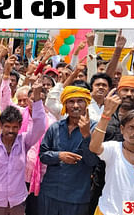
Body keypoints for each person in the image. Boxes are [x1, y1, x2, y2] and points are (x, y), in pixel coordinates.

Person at [0, 77, 46, 215]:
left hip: (18, 202)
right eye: (7, 126)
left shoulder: (24, 141)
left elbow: (40, 127)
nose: (10, 131)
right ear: (1, 126)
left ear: (20, 127)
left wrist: (37, 99)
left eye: (15, 127)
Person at [89, 92, 134, 215]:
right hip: (106, 212)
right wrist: (106, 114)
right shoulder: (113, 149)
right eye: (131, 127)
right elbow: (94, 147)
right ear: (122, 129)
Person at [38, 85, 99, 215]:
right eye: (71, 101)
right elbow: (42, 155)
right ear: (65, 105)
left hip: (77, 197)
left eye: (80, 101)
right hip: (50, 193)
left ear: (86, 104)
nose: (75, 105)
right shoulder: (55, 128)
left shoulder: (94, 128)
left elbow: (92, 162)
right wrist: (59, 156)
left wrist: (86, 136)